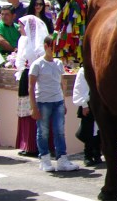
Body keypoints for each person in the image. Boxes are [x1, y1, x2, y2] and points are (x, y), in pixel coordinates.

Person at [29, 34, 80, 172]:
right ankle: (44, 159)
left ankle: (62, 160)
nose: (54, 51)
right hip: (43, 101)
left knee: (59, 131)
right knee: (43, 132)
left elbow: (62, 83)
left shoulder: (58, 63)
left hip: (57, 101)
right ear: (46, 46)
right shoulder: (37, 64)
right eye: (52, 48)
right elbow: (31, 86)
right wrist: (33, 107)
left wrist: (64, 102)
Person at [13, 14, 47, 156]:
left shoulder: (38, 43)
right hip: (25, 76)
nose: (19, 29)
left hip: (35, 76)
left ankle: (36, 145)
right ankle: (27, 144)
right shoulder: (23, 40)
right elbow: (20, 60)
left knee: (35, 109)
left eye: (21, 26)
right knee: (25, 110)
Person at [71, 67, 101, 166]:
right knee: (88, 129)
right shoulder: (84, 70)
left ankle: (97, 154)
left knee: (99, 130)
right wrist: (84, 105)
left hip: (100, 102)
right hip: (89, 103)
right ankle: (87, 156)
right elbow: (80, 88)